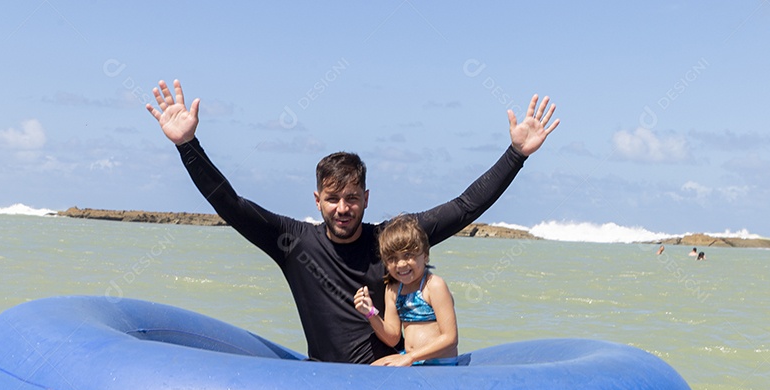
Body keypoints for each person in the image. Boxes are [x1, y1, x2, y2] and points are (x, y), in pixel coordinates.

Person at [146, 79, 559, 364]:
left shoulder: (393, 241)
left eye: (351, 198)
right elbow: (230, 204)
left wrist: (516, 155)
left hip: (385, 381)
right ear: (317, 201)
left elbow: (465, 206)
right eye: (332, 199)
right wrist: (188, 145)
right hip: (325, 386)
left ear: (366, 198)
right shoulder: (294, 241)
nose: (342, 208)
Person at [354, 216, 457, 367]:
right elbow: (392, 338)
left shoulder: (433, 286)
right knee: (371, 369)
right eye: (392, 258)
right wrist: (370, 313)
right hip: (410, 358)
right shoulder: (393, 289)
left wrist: (410, 358)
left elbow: (450, 338)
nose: (401, 264)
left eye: (408, 255)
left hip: (439, 362)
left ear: (425, 256)